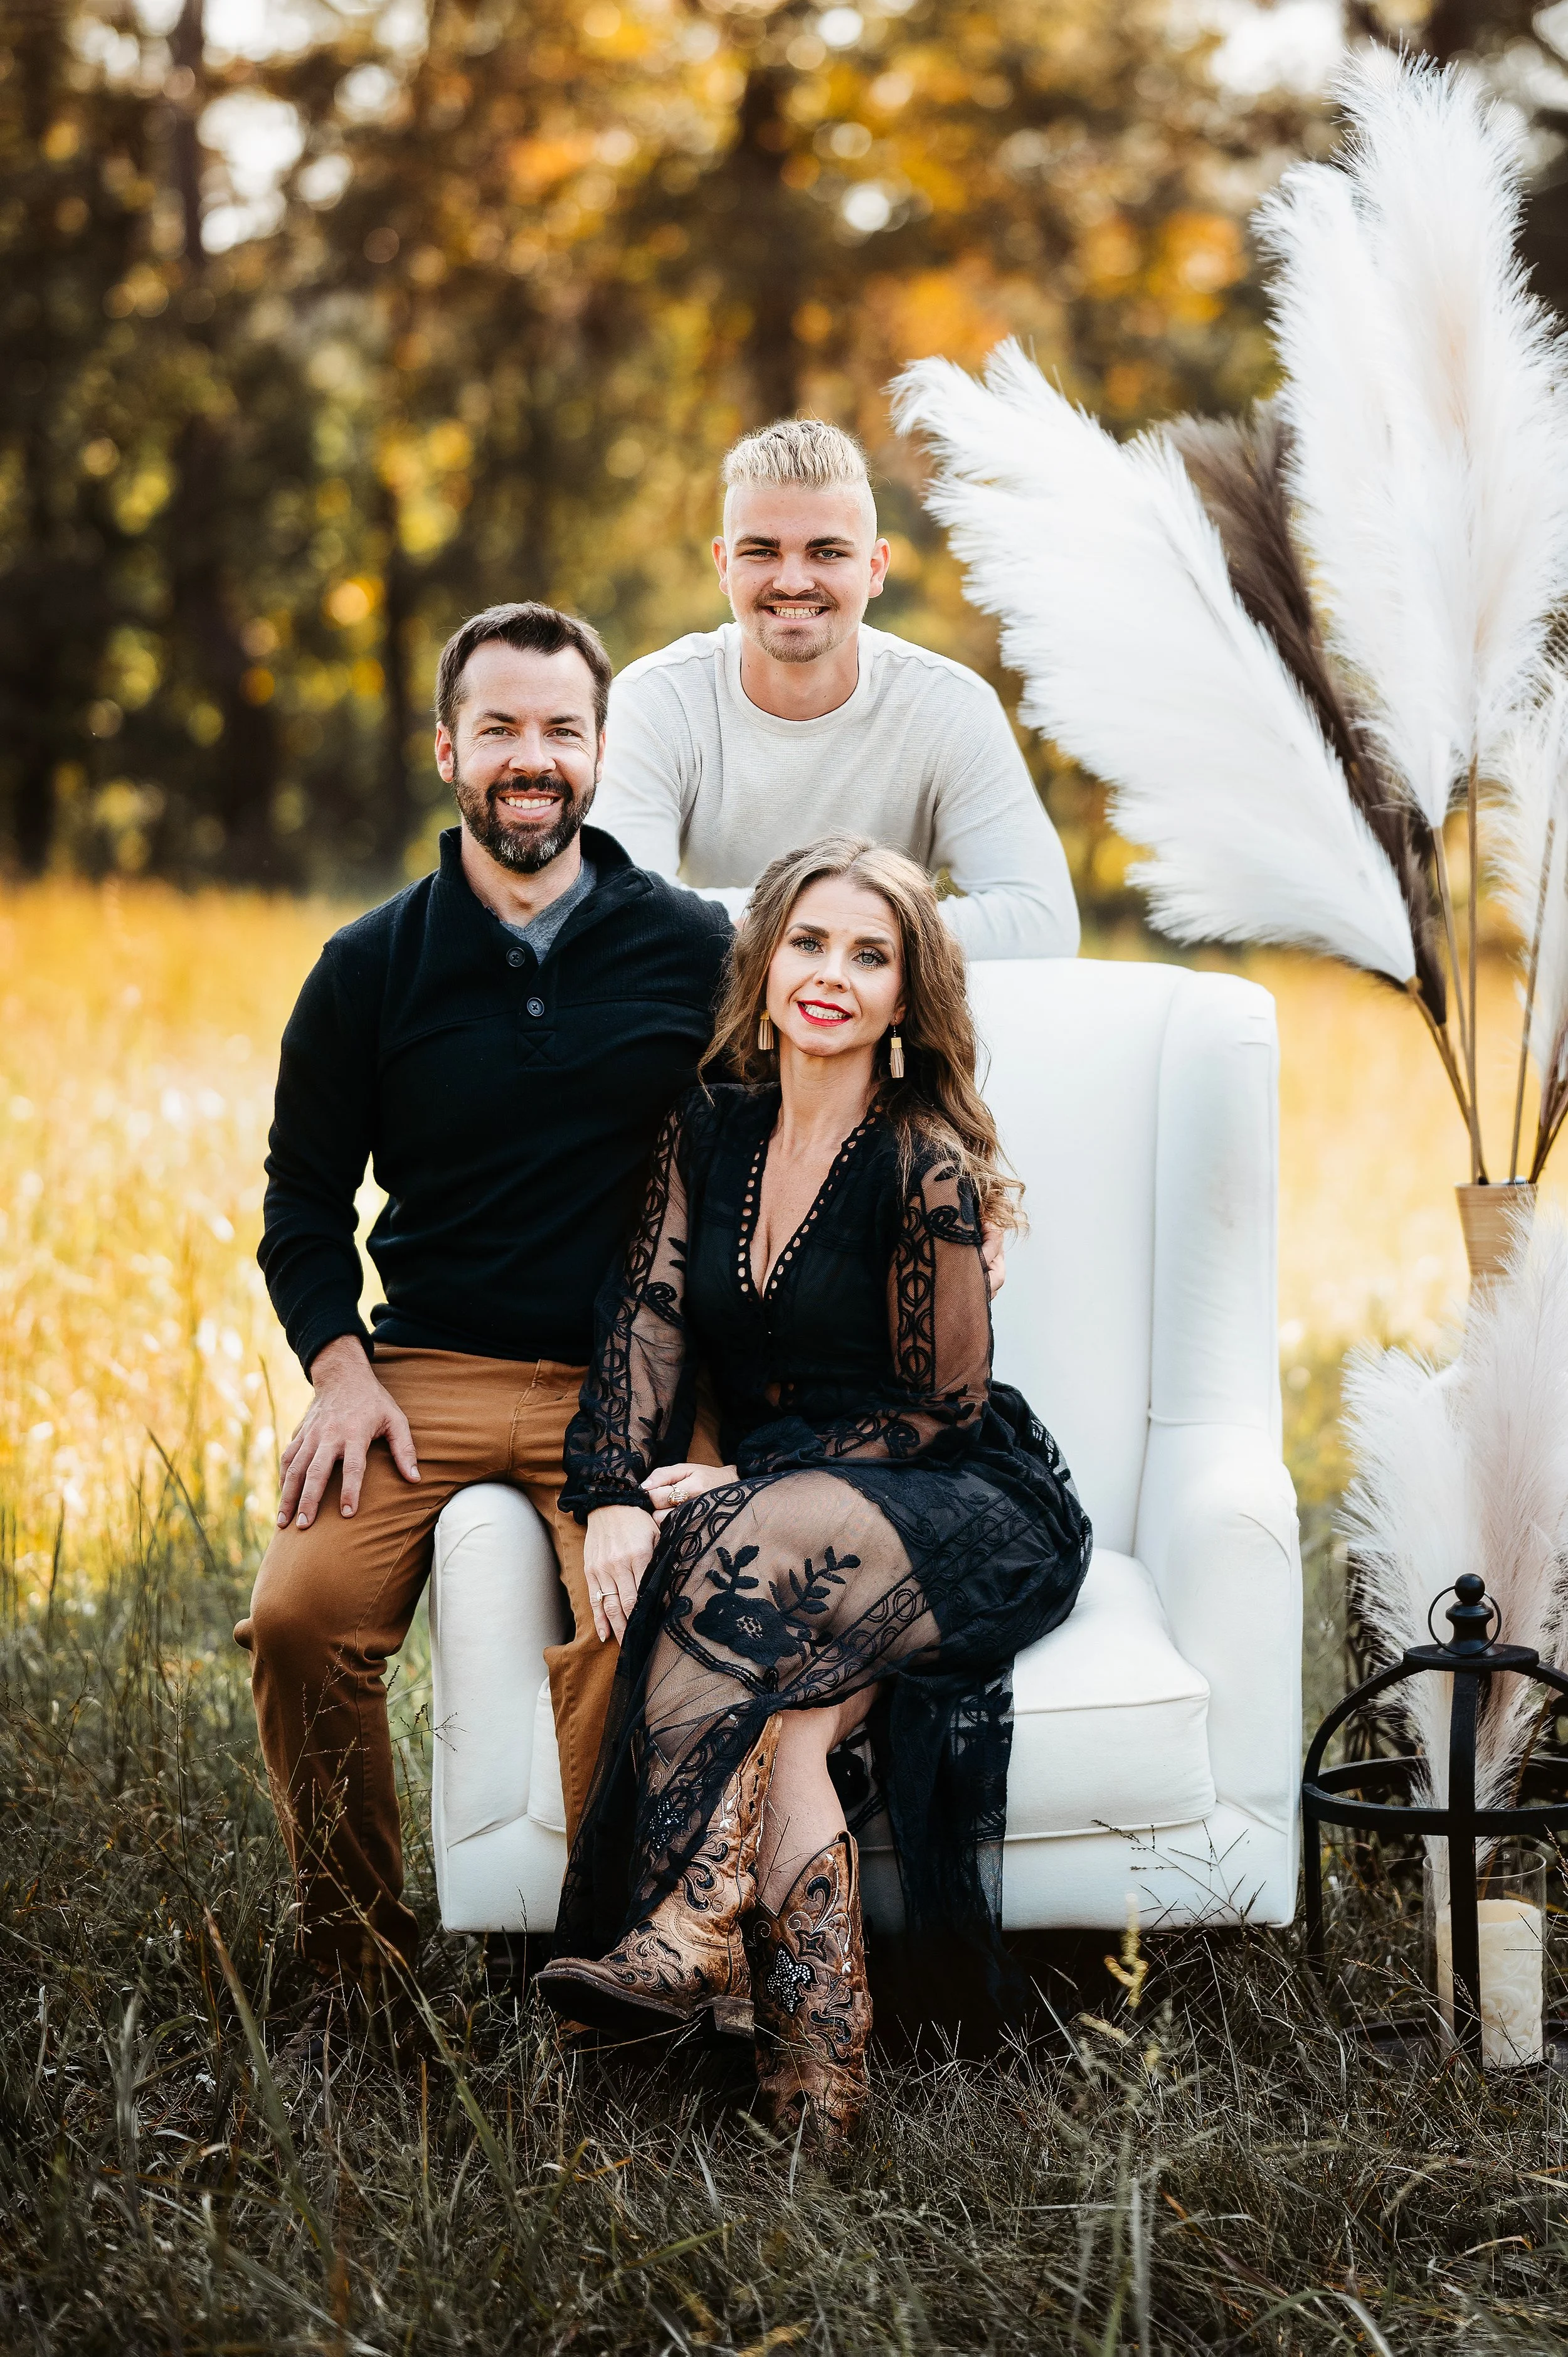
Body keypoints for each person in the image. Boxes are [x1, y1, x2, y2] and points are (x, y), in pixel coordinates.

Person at [536, 834, 1091, 2144]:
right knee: (787, 1718)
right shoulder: (709, 1126)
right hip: (793, 1513)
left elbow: (942, 1411)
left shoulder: (924, 1162)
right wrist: (609, 1486)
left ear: (906, 999)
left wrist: (743, 1474)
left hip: (954, 1503)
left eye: (869, 955)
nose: (831, 974)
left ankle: (688, 1922)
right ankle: (816, 2071)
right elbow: (648, 1316)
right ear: (767, 962)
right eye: (809, 942)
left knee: (729, 1527)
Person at [237, 601, 731, 2031]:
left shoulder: (693, 946)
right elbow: (301, 1201)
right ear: (448, 748)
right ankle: (358, 1968)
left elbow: (763, 1166)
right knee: (298, 1617)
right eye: (500, 727)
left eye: (562, 729)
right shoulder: (368, 963)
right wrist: (341, 1370)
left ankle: (616, 1963)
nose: (533, 757)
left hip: (624, 1378)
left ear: (599, 751)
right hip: (424, 1373)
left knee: (649, 1620)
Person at [592, 418, 1080, 960]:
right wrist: (857, 932)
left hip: (879, 1011)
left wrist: (831, 935)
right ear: (725, 566)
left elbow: (1043, 921)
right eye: (762, 551)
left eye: (826, 552)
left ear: (875, 568)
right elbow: (619, 913)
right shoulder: (657, 700)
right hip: (713, 1006)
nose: (793, 581)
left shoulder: (949, 708)